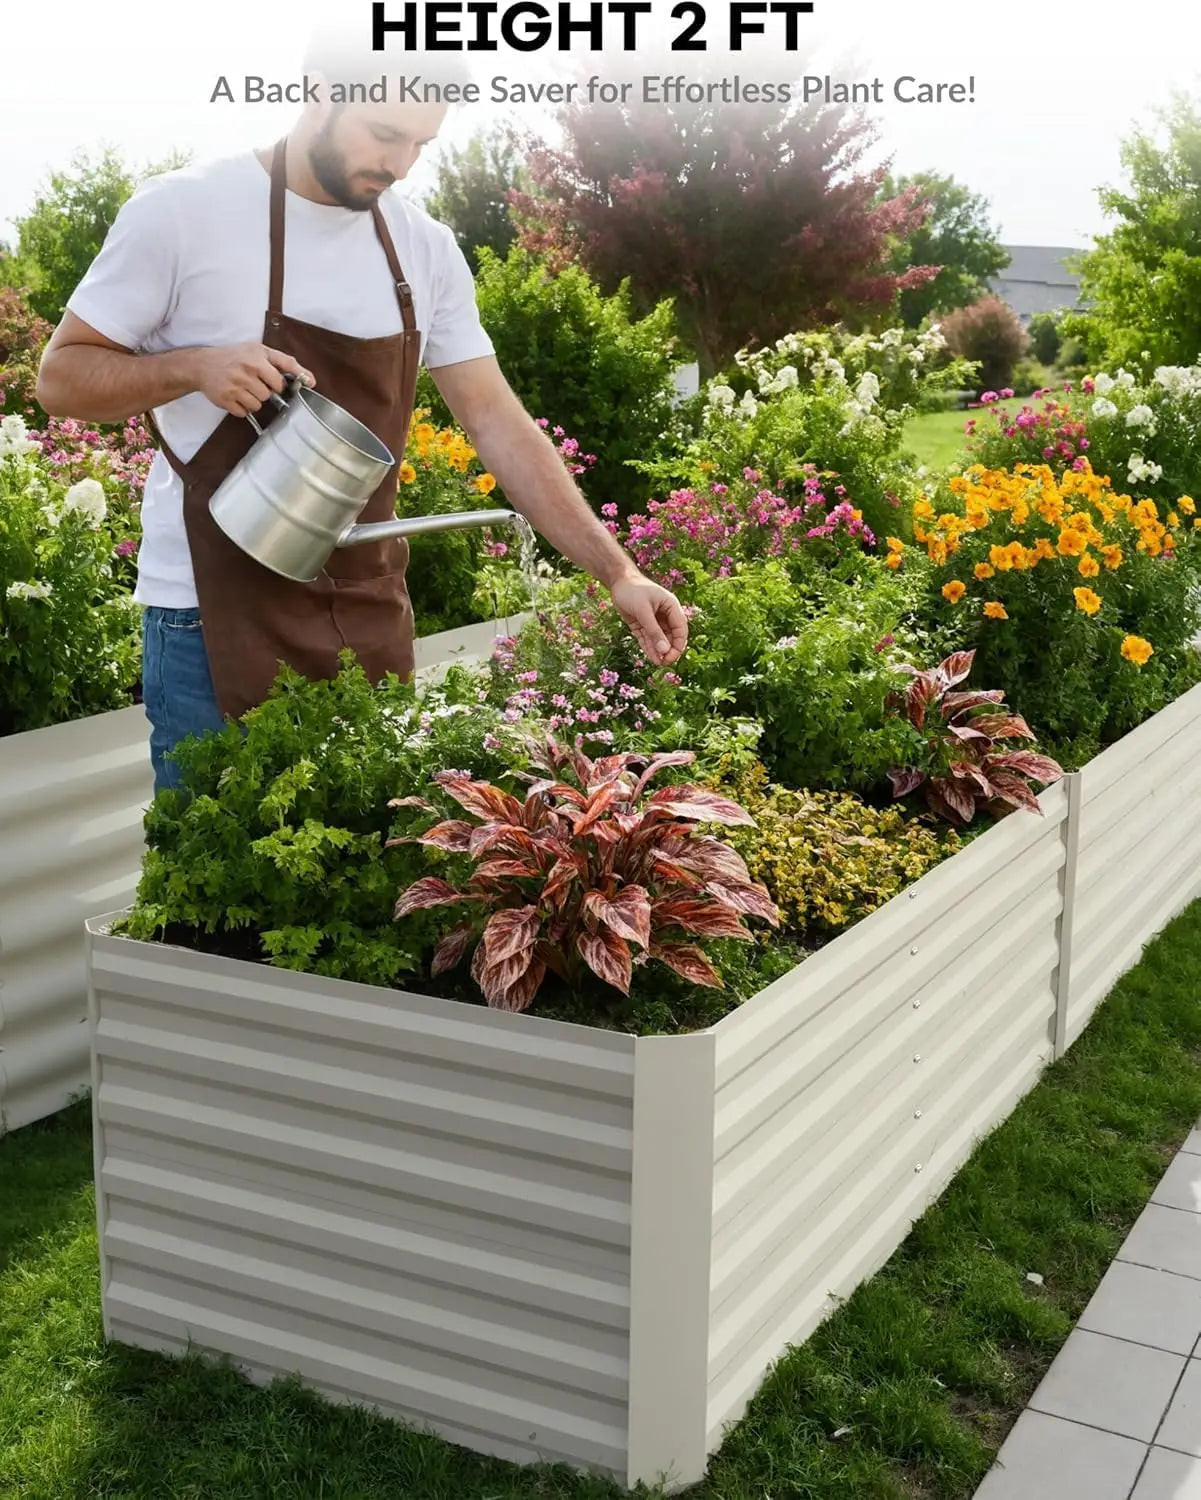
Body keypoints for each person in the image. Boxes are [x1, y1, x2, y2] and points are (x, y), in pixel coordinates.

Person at [35, 32, 688, 795]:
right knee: (216, 891)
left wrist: (618, 573)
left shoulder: (424, 246)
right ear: (317, 92)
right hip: (208, 613)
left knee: (370, 876)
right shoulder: (186, 208)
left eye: (422, 142)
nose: (401, 163)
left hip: (364, 604)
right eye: (384, 133)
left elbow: (494, 420)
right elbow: (62, 379)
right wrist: (192, 367)